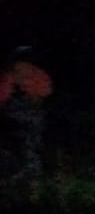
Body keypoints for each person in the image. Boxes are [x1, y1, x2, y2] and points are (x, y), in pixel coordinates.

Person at [0, 46, 53, 188]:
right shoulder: (15, 75)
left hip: (25, 118)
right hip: (19, 119)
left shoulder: (34, 75)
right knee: (26, 148)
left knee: (28, 147)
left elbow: (45, 92)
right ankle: (28, 179)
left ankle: (30, 179)